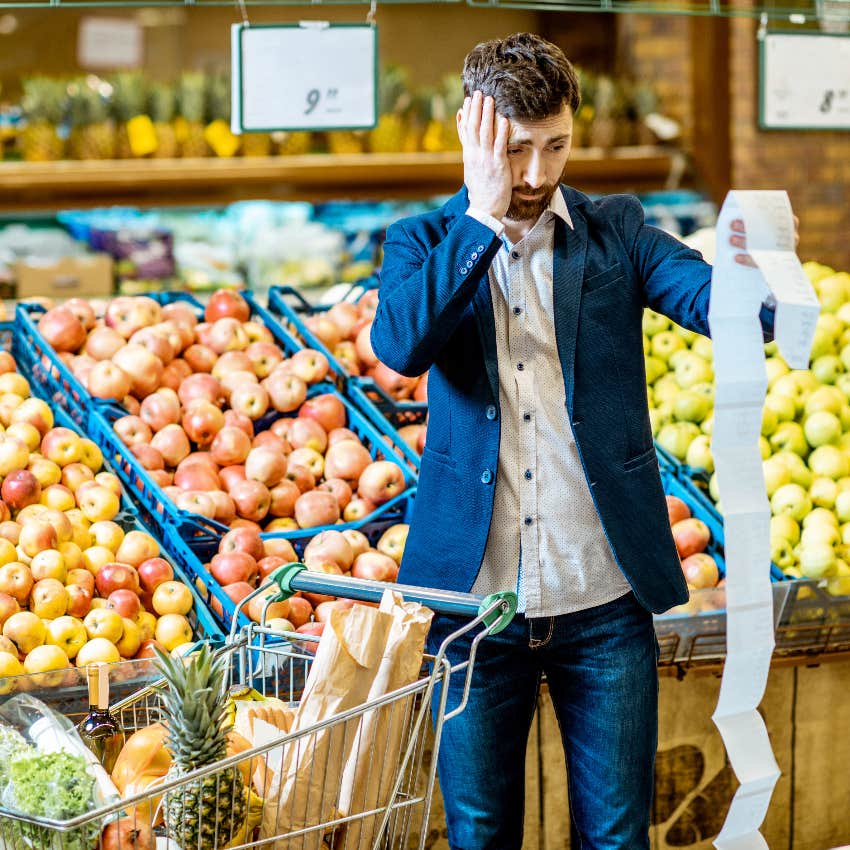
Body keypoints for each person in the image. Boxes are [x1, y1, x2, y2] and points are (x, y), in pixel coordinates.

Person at [370, 32, 774, 850]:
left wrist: (764, 289)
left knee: (619, 838)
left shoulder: (615, 230)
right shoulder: (422, 244)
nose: (536, 173)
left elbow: (705, 294)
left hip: (603, 605)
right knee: (481, 835)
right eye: (517, 150)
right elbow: (400, 345)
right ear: (472, 132)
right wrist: (481, 217)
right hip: (472, 612)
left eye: (555, 146)